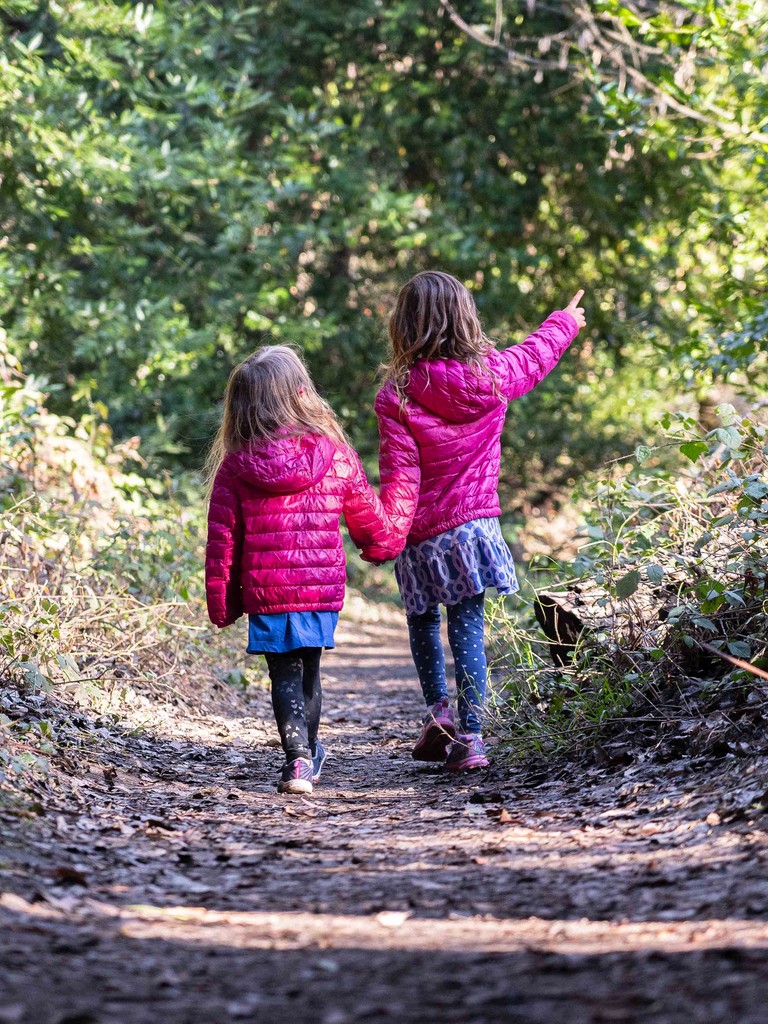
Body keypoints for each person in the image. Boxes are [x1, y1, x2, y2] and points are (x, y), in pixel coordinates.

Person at [362, 271, 586, 770]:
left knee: (422, 621)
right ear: (466, 320)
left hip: (423, 534)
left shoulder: (396, 395)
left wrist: (385, 534)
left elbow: (400, 477)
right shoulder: (492, 375)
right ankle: (472, 737)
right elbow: (535, 354)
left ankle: (438, 711)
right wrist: (565, 321)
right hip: (473, 529)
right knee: (468, 626)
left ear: (404, 326)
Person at [205, 345, 397, 795]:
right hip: (319, 588)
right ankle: (307, 755)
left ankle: (298, 761)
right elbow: (367, 517)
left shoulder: (236, 467)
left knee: (284, 675)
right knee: (309, 671)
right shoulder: (335, 454)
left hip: (267, 592)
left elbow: (222, 542)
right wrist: (381, 545)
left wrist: (221, 601)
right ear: (300, 394)